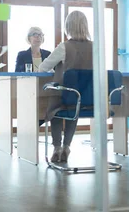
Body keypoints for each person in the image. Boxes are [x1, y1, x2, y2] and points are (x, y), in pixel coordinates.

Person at [39, 11, 92, 163]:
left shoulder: (64, 47)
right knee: (75, 108)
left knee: (56, 110)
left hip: (64, 95)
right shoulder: (95, 47)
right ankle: (67, 146)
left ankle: (57, 147)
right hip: (87, 96)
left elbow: (43, 67)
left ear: (68, 27)